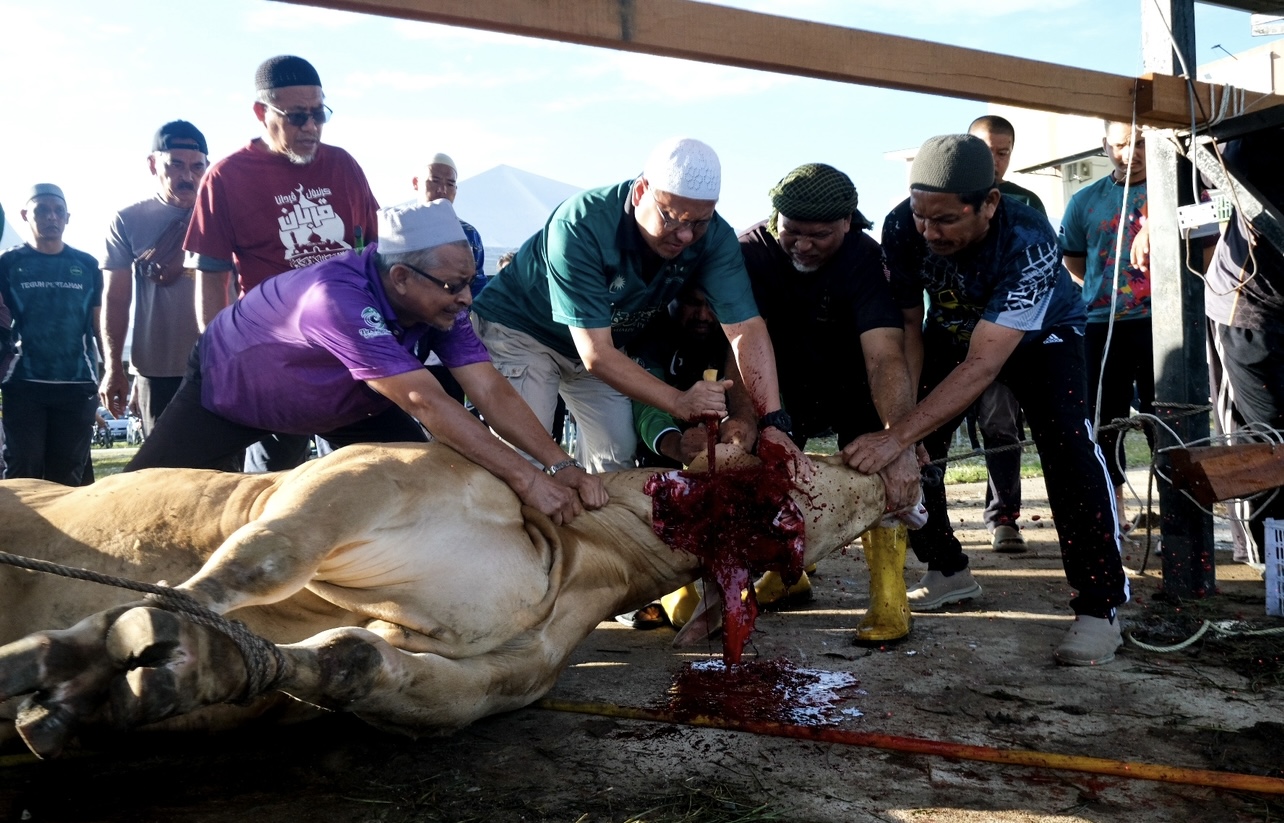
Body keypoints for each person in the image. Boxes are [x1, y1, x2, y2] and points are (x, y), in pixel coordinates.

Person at [126, 200, 605, 526]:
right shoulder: (335, 299)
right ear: (399, 276)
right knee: (138, 498)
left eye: (469, 283)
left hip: (352, 405)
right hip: (231, 390)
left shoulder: (439, 294)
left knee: (426, 493)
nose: (465, 299)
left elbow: (490, 389)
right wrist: (524, 479)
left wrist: (559, 464)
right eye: (454, 286)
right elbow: (426, 401)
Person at [846, 134, 1129, 666]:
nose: (930, 232)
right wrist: (901, 429)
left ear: (989, 203)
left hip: (1042, 335)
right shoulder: (902, 226)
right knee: (915, 444)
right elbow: (908, 325)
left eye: (947, 220)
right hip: (953, 330)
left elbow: (985, 364)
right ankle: (947, 568)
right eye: (922, 216)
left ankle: (1099, 607)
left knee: (1067, 444)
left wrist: (895, 437)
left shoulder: (1029, 238)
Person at [471, 137, 807, 475]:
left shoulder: (715, 237)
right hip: (524, 333)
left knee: (616, 455)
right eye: (673, 218)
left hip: (601, 346)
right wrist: (678, 401)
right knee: (527, 457)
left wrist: (773, 420)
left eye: (699, 222)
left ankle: (595, 529)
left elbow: (746, 329)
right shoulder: (580, 224)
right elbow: (596, 355)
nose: (686, 236)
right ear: (641, 190)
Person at [737, 162, 920, 644]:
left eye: (817, 235)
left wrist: (897, 439)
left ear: (847, 222)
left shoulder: (865, 256)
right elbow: (733, 343)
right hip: (778, 385)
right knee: (768, 474)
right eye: (790, 231)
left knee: (878, 467)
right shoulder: (748, 252)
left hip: (853, 382)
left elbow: (884, 356)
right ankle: (787, 570)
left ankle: (888, 593)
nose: (801, 245)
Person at [184, 55, 380, 472]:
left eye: (319, 114)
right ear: (261, 113)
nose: (311, 127)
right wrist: (218, 355)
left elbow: (376, 253)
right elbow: (212, 277)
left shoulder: (343, 165)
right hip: (274, 355)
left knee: (365, 470)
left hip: (347, 352)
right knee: (275, 479)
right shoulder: (225, 177)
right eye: (296, 117)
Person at [1059, 120, 1154, 527]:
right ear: (1104, 146)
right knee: (1104, 420)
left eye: (1140, 143)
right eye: (1119, 145)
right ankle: (1113, 515)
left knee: (1166, 419)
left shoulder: (1179, 191)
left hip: (1163, 322)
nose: (1129, 153)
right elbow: (1075, 260)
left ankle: (1179, 513)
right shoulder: (1084, 200)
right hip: (1102, 323)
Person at [963, 115, 1048, 553]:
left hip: (1009, 334)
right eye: (986, 150)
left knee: (1001, 427)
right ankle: (923, 525)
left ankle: (1003, 518)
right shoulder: (943, 194)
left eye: (1003, 152)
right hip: (951, 335)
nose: (995, 160)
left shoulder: (1027, 204)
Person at [1204, 123, 1284, 566]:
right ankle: (1269, 562)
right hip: (1248, 305)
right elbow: (1221, 162)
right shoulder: (1260, 125)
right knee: (1260, 437)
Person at [99, 120, 209, 437]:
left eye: (196, 166)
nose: (187, 176)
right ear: (152, 164)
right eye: (175, 165)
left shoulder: (225, 213)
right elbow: (115, 299)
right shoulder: (128, 220)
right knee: (162, 478)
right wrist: (113, 368)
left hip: (219, 367)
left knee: (224, 477)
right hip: (156, 371)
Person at [0, 184, 103, 485]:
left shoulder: (86, 265)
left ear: (68, 217)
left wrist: (111, 371)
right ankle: (15, 533)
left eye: (58, 211)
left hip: (77, 384)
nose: (51, 217)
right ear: (25, 215)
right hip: (23, 383)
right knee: (22, 469)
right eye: (42, 210)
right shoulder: (8, 264)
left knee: (69, 475)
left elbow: (98, 325)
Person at [412, 152, 486, 408]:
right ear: (416, 183)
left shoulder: (468, 234)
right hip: (405, 343)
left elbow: (476, 289)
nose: (442, 189)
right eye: (434, 181)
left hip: (451, 340)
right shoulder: (396, 229)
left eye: (450, 183)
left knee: (452, 415)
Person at [627, 285, 728, 468]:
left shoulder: (730, 334)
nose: (703, 316)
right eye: (692, 303)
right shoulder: (650, 335)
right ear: (672, 300)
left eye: (711, 305)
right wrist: (675, 445)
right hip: (665, 442)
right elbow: (647, 408)